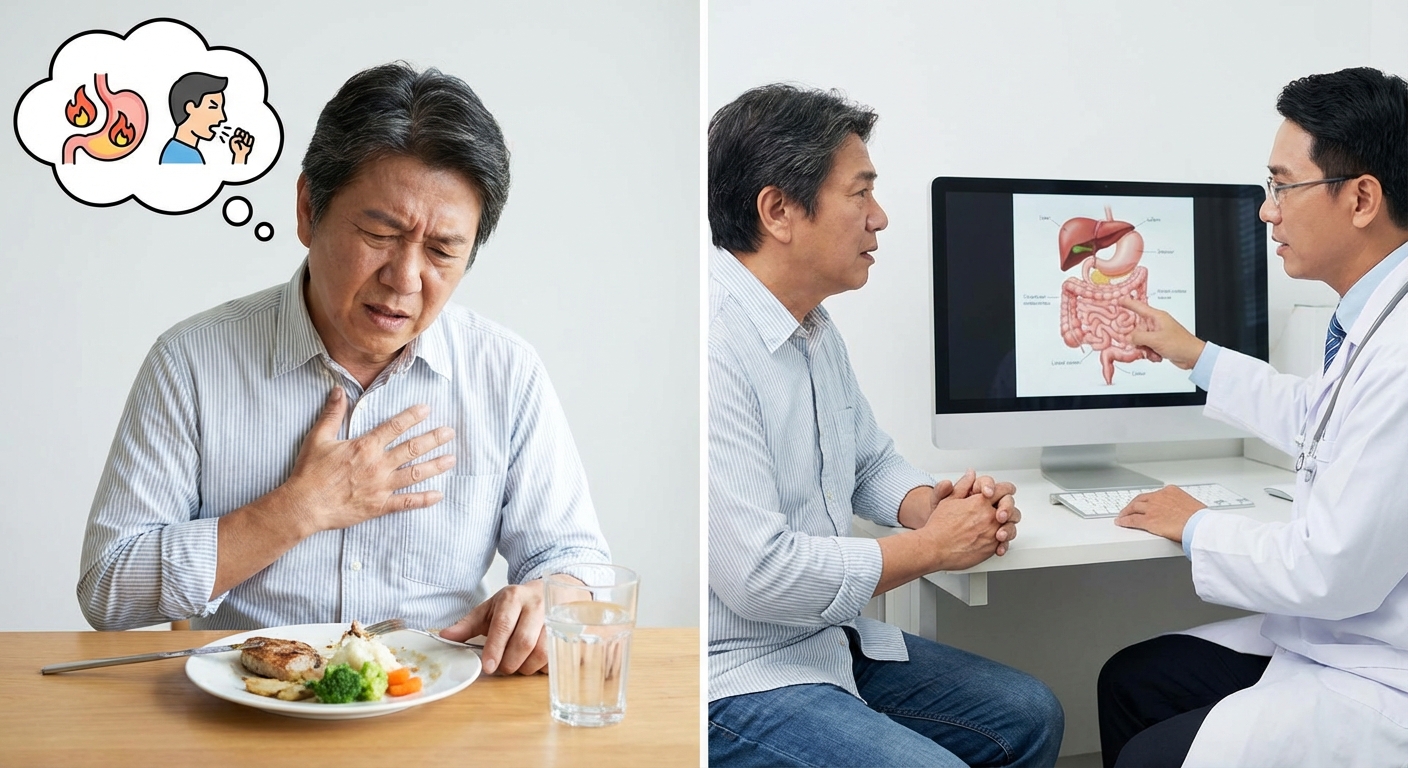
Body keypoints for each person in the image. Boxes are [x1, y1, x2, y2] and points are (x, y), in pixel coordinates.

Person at [79, 63, 609, 677]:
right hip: (251, 705)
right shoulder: (191, 361)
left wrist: (553, 595)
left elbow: (575, 559)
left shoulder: (505, 372)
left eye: (442, 250)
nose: (405, 279)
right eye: (380, 234)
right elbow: (107, 589)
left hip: (433, 703)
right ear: (308, 209)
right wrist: (298, 508)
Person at [707, 83, 1063, 767]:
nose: (881, 218)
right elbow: (761, 575)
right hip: (737, 676)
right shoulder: (716, 346)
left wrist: (936, 506)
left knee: (1030, 715)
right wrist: (933, 548)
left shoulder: (812, 327)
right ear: (778, 211)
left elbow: (867, 462)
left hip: (825, 643)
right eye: (860, 193)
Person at [1099, 67, 1408, 766]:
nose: (1268, 212)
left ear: (1361, 198)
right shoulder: (1377, 312)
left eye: (1282, 186)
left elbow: (1327, 574)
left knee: (1151, 751)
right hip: (1342, 636)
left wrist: (1196, 524)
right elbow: (1323, 420)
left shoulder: (1399, 350)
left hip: (1380, 671)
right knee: (1132, 681)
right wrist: (1194, 354)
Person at [159, 71, 254, 165]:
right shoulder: (181, 157)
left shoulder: (187, 152)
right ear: (190, 108)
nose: (222, 117)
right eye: (213, 107)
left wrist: (240, 155)